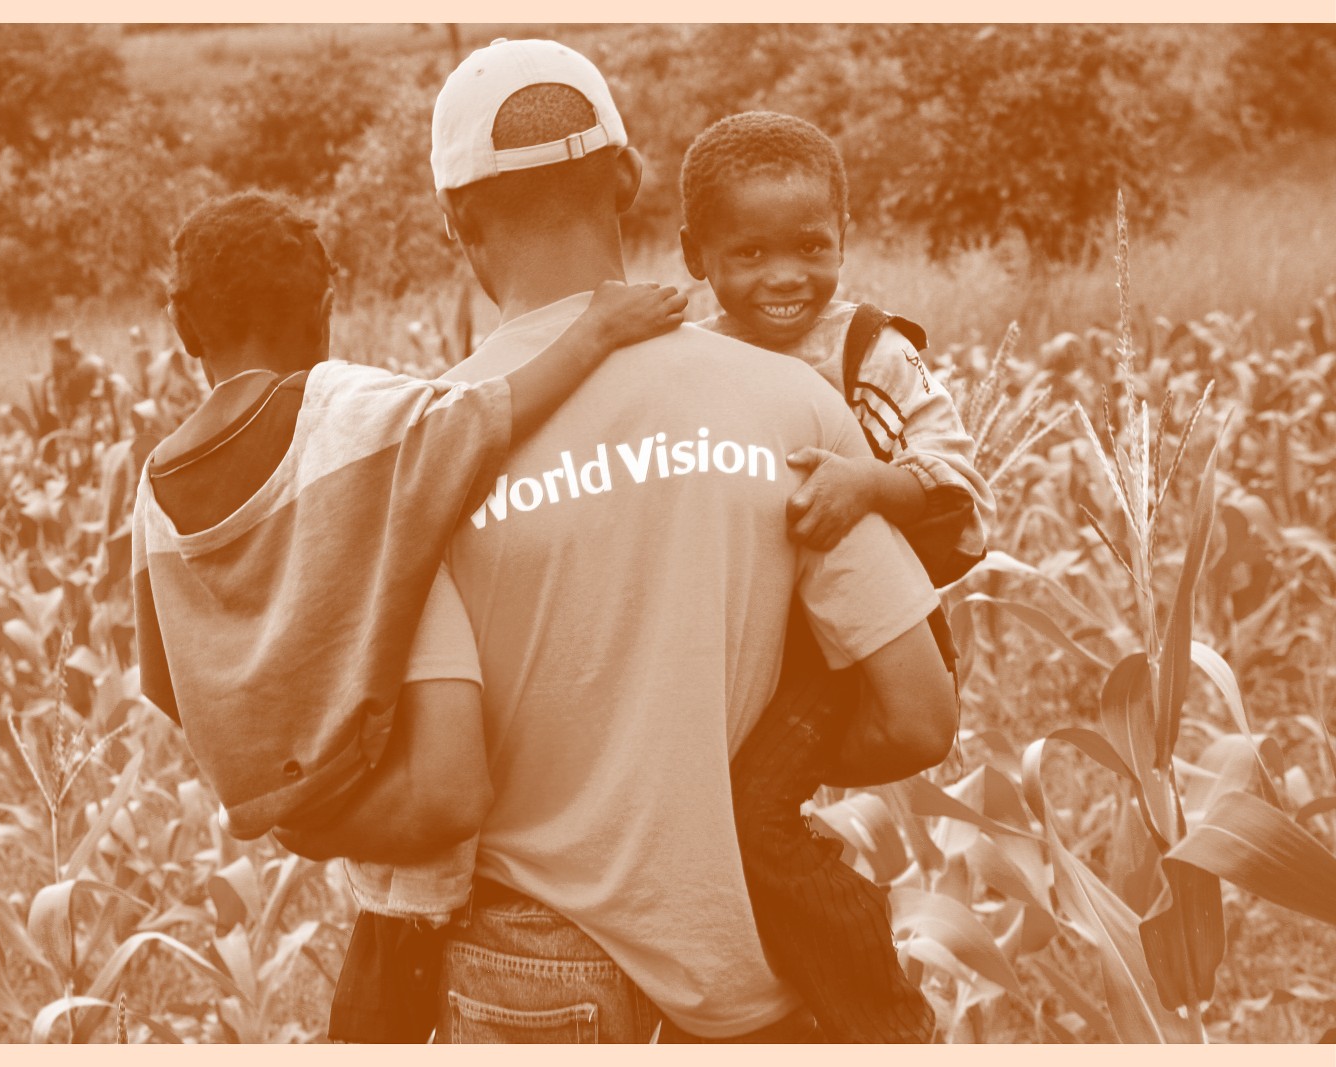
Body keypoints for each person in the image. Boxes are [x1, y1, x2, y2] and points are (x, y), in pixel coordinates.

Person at [283, 38, 958, 1043]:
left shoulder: (416, 452)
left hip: (520, 971)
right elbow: (919, 718)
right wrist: (721, 788)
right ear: (630, 179)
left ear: (453, 218)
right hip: (743, 964)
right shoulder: (793, 400)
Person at [129, 190, 686, 956]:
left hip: (282, 798)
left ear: (183, 326)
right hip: (402, 785)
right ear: (325, 310)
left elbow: (162, 679)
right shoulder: (339, 407)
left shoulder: (154, 487)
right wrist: (599, 329)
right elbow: (489, 415)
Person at [679, 110, 994, 576]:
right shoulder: (684, 362)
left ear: (841, 240)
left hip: (859, 611)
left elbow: (963, 500)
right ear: (695, 254)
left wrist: (870, 484)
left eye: (810, 247)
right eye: (750, 252)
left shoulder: (870, 353)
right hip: (734, 610)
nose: (785, 277)